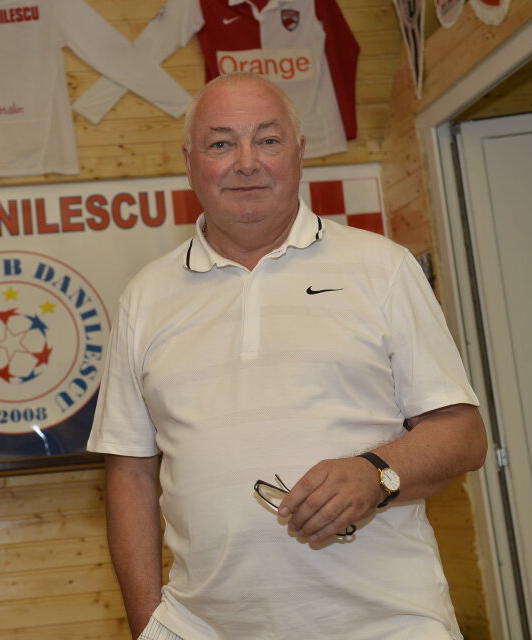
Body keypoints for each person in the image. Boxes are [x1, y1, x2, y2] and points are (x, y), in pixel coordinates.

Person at [87, 72, 487, 640]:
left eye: (268, 140)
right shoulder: (144, 298)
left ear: (299, 153)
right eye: (221, 143)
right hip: (203, 629)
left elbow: (464, 436)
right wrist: (149, 627)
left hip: (386, 626)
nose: (246, 162)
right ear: (190, 163)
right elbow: (129, 470)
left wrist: (376, 473)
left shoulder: (382, 268)